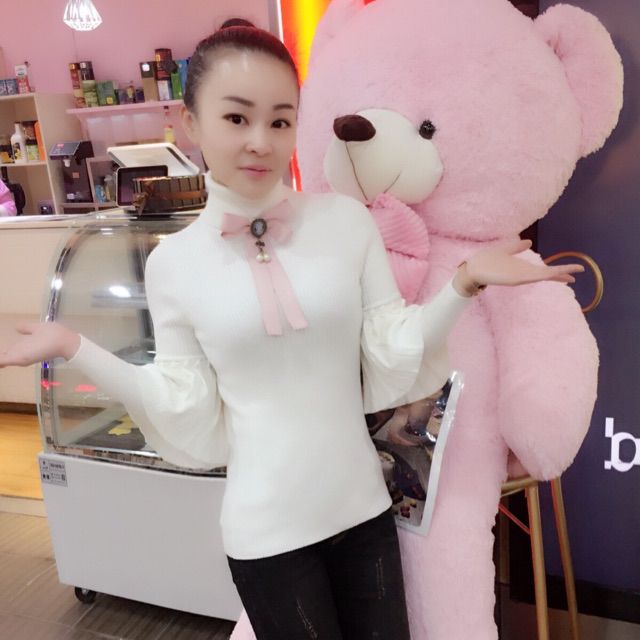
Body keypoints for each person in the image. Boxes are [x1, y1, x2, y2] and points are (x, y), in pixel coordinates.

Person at [0, 23, 582, 640]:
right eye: (236, 118)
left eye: (280, 121)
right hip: (267, 536)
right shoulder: (174, 263)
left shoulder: (346, 223)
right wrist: (73, 346)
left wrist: (463, 283)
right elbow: (178, 398)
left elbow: (391, 346)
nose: (260, 141)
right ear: (191, 122)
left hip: (363, 513)